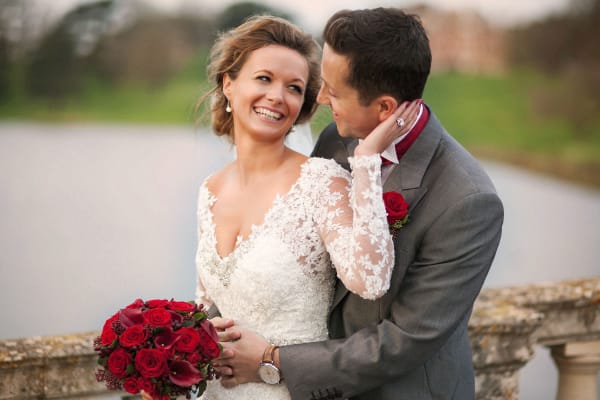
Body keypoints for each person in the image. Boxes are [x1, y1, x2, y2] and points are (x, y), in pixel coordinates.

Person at [212, 8, 504, 400]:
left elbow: (405, 339)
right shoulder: (337, 137)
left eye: (332, 91)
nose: (318, 98)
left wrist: (272, 359)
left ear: (384, 108)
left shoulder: (468, 201)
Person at [142, 14, 421, 400]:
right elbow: (206, 308)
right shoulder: (209, 190)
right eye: (264, 78)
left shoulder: (321, 182)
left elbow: (370, 282)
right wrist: (160, 357)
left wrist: (367, 159)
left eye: (293, 87)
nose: (277, 96)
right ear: (228, 82)